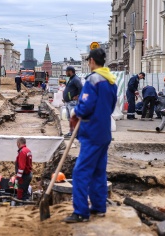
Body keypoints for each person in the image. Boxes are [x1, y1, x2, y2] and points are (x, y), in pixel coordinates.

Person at [63, 48, 117, 223]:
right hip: (104, 132)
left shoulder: (92, 80)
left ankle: (80, 212)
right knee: (98, 172)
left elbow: (85, 106)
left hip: (91, 132)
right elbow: (110, 106)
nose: (88, 63)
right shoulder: (111, 81)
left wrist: (75, 112)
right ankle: (99, 207)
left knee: (80, 172)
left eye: (88, 61)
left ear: (92, 61)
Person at [62, 66, 83, 138]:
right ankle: (71, 132)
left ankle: (75, 133)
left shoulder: (76, 79)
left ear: (70, 71)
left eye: (66, 71)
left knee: (73, 118)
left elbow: (81, 88)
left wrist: (78, 96)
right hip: (68, 102)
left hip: (73, 102)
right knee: (70, 118)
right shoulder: (71, 79)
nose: (66, 72)